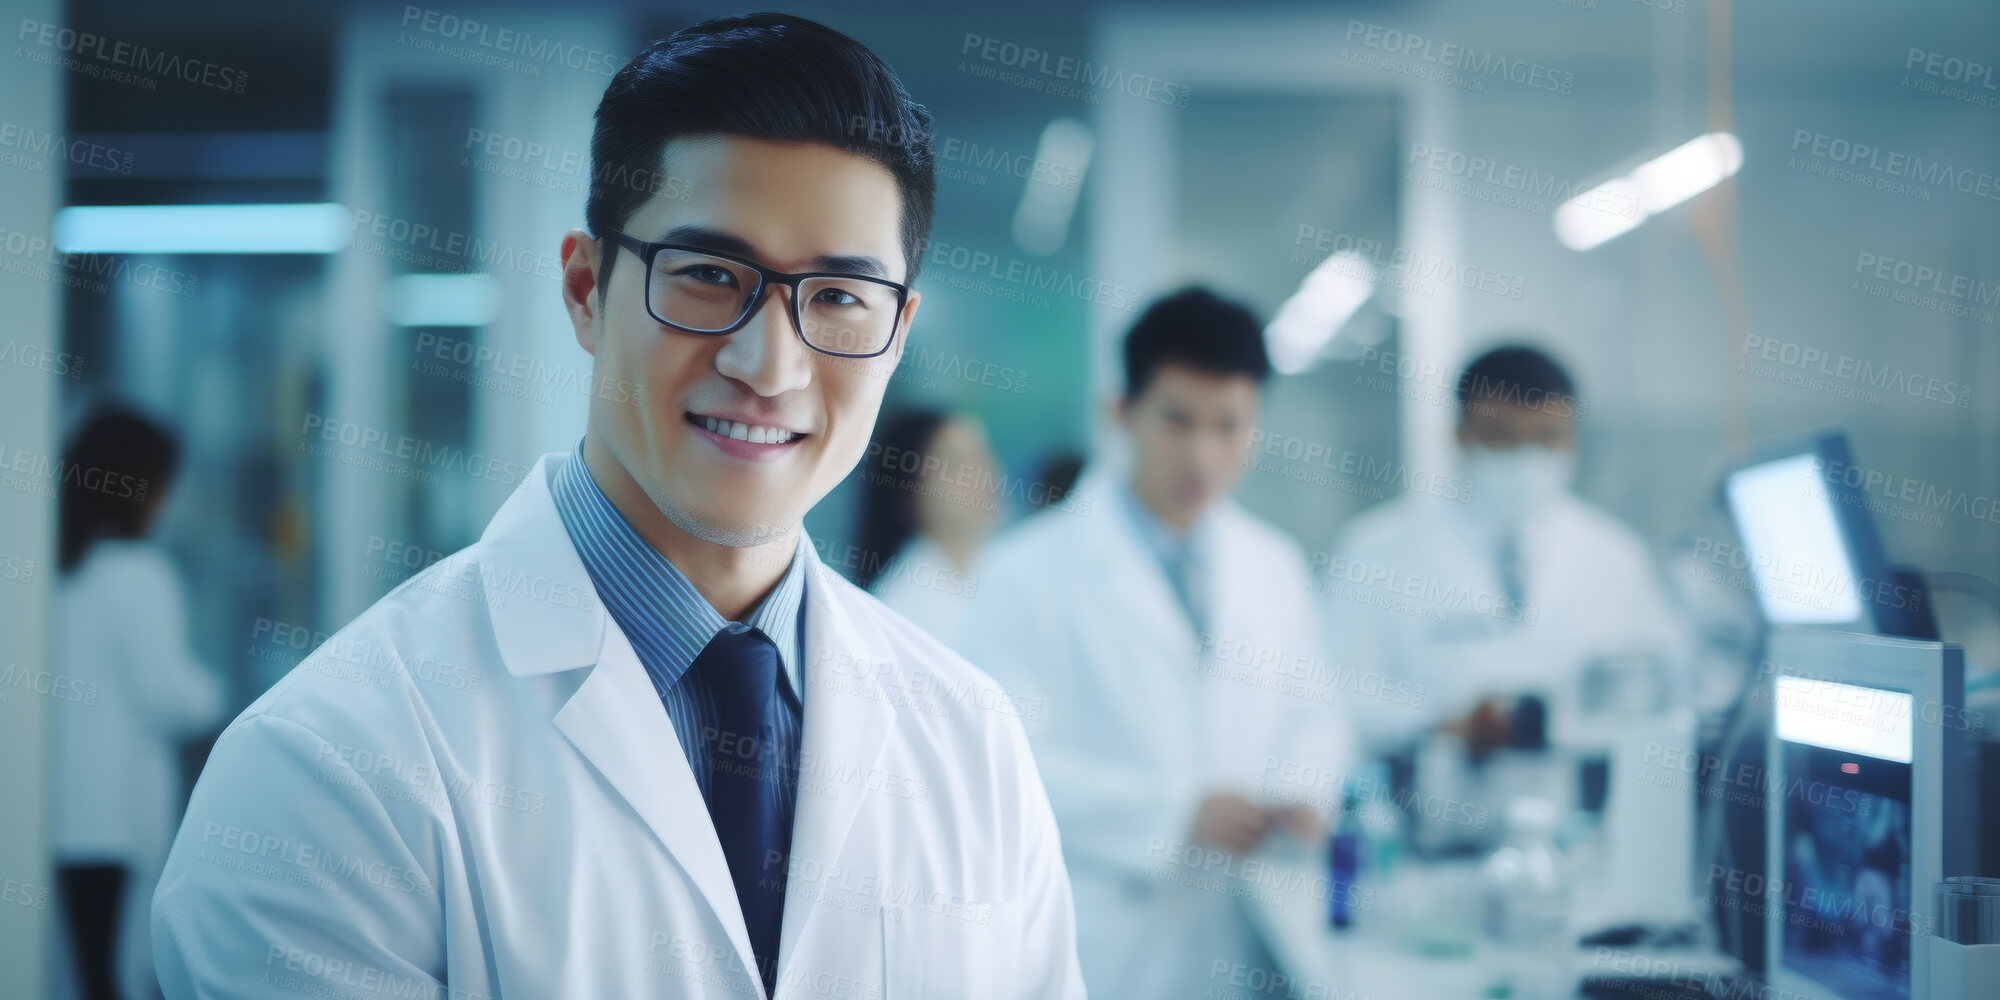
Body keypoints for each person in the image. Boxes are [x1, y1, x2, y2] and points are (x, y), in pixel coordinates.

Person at [151, 16, 1084, 999]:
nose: (768, 366)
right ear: (586, 287)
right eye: (709, 276)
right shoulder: (332, 765)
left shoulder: (971, 737)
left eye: (839, 296)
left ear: (896, 333)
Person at [963, 287, 1353, 998]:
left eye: (1230, 426)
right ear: (1122, 412)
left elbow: (1315, 716)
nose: (1203, 454)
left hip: (1251, 921)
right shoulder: (1027, 573)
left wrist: (1302, 791)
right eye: (1178, 420)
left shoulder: (1275, 565)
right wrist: (1172, 813)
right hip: (1109, 939)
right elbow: (1001, 769)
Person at [1322, 344, 1687, 759]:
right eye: (1502, 437)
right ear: (1460, 435)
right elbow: (1338, 692)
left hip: (1584, 800)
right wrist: (1441, 723)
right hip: (1426, 800)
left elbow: (1667, 684)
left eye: (1548, 438)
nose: (1527, 460)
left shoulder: (1616, 554)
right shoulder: (1377, 548)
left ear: (1574, 438)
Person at [53, 408, 226, 1000]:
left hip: (56, 813)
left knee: (77, 972)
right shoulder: (140, 572)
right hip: (117, 819)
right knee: (117, 979)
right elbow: (168, 695)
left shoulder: (55, 568)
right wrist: (221, 694)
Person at [854, 408, 1000, 649]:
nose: (983, 475)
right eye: (957, 466)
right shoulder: (902, 608)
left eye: (982, 455)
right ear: (908, 491)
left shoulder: (994, 566)